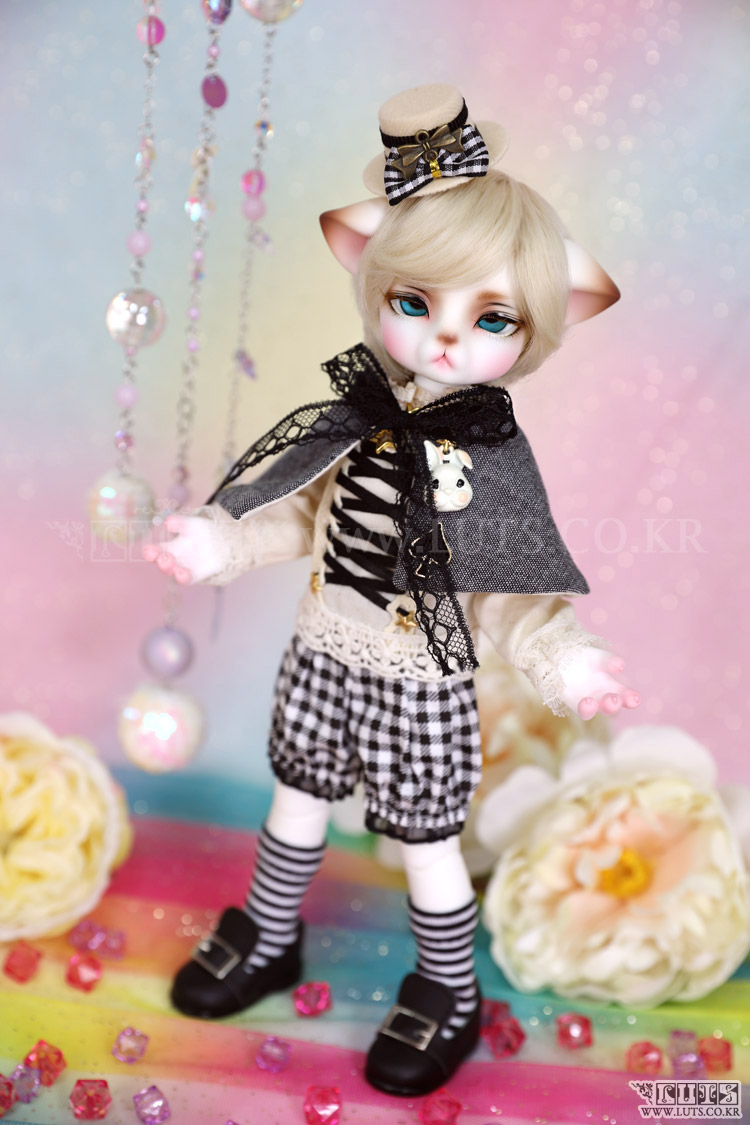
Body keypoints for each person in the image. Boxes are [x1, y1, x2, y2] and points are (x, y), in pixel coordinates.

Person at [145, 84, 639, 1097]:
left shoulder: (488, 462)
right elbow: (297, 514)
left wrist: (566, 659)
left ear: (542, 324)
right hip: (323, 652)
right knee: (295, 799)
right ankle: (268, 932)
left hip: (418, 682)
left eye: (490, 318)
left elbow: (508, 591)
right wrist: (218, 542)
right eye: (415, 303)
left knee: (425, 844)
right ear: (372, 281)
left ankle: (448, 987)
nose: (446, 341)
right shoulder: (354, 419)